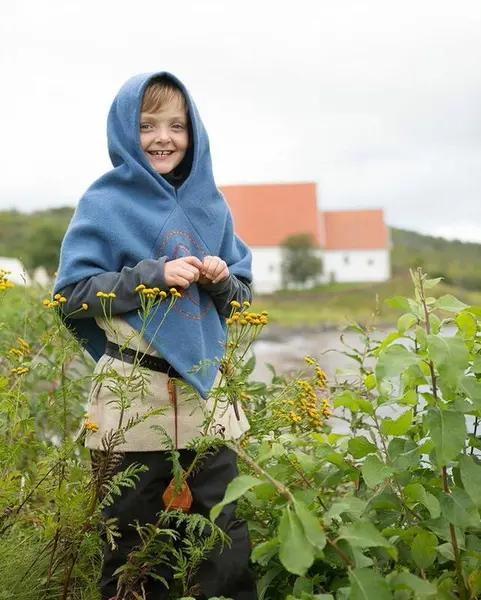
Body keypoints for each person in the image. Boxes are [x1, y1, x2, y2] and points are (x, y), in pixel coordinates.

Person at [53, 72, 257, 599]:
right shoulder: (104, 204)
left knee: (222, 549)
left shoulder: (213, 205)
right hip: (131, 404)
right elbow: (72, 294)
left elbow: (241, 302)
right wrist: (151, 276)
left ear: (195, 134)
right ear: (125, 130)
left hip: (206, 402)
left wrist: (221, 279)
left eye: (176, 125)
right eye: (147, 125)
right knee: (132, 553)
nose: (163, 137)